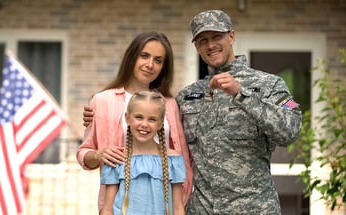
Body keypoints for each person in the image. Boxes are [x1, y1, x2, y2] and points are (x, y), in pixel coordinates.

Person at [175, 10, 302, 214]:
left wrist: (241, 94)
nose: (210, 45)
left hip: (254, 208)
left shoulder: (270, 84)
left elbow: (290, 131)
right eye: (203, 40)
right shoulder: (186, 96)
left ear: (231, 36)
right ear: (197, 47)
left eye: (217, 36)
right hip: (202, 210)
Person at [77, 31, 193, 212]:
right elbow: (84, 152)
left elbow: (180, 158)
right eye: (144, 56)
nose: (150, 65)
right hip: (120, 206)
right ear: (132, 57)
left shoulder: (170, 105)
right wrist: (99, 155)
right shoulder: (102, 101)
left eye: (158, 60)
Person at [100, 91, 185, 215]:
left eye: (152, 119)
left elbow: (178, 208)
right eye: (139, 117)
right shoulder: (117, 158)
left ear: (161, 124)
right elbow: (107, 209)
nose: (144, 124)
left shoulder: (173, 160)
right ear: (127, 118)